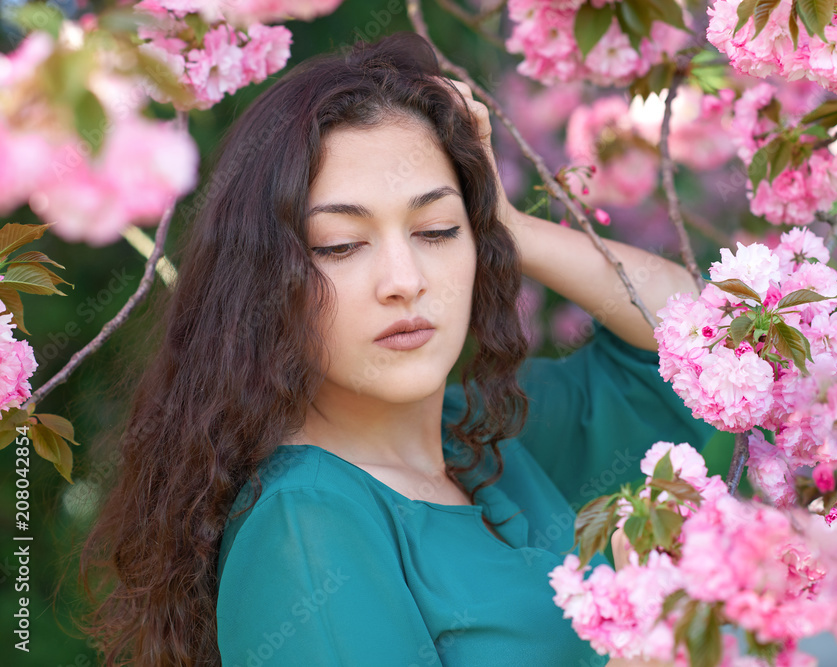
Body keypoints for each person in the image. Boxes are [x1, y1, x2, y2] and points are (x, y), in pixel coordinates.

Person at [76, 31, 714, 666]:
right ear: (267, 282)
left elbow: (699, 342)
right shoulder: (307, 528)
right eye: (341, 245)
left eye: (437, 230)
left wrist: (508, 225)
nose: (405, 280)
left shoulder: (484, 439)